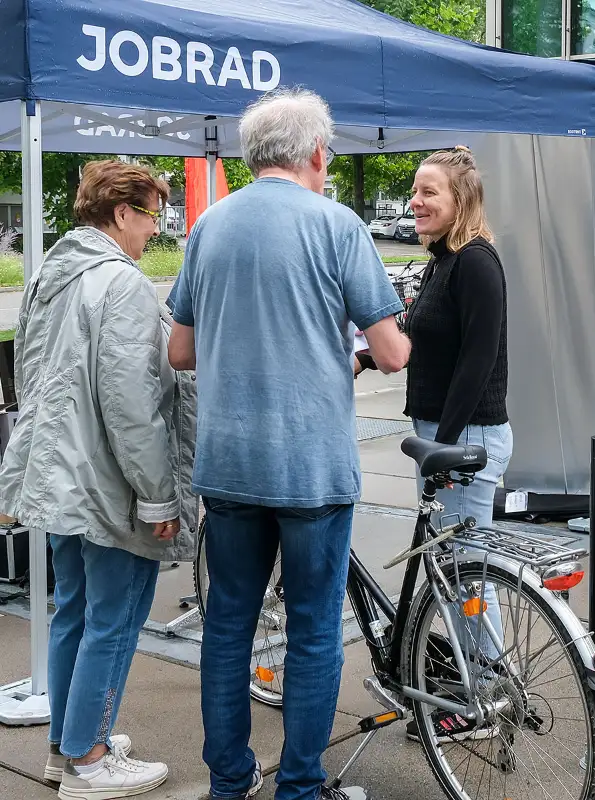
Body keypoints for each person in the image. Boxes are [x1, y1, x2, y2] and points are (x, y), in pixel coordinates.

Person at [167, 87, 410, 800]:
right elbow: (392, 352)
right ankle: (300, 786)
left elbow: (180, 351)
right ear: (317, 154)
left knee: (227, 626)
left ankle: (229, 782)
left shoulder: (209, 226)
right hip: (311, 467)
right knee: (312, 631)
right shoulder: (338, 226)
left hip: (229, 464)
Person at [0, 160, 198, 800]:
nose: (155, 229)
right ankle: (88, 760)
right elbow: (131, 403)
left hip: (58, 477)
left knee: (75, 614)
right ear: (121, 213)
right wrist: (159, 496)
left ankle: (69, 745)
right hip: (108, 481)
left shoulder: (50, 274)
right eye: (151, 216)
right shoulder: (121, 282)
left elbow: (28, 375)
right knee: (113, 619)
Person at [401, 147, 512, 742]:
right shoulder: (443, 260)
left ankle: (487, 698)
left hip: (465, 437)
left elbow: (478, 359)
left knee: (468, 576)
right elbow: (427, 340)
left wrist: (443, 445)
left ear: (460, 199)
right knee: (454, 573)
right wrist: (365, 357)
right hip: (445, 435)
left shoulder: (475, 262)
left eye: (429, 192)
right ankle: (476, 683)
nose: (416, 202)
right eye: (415, 191)